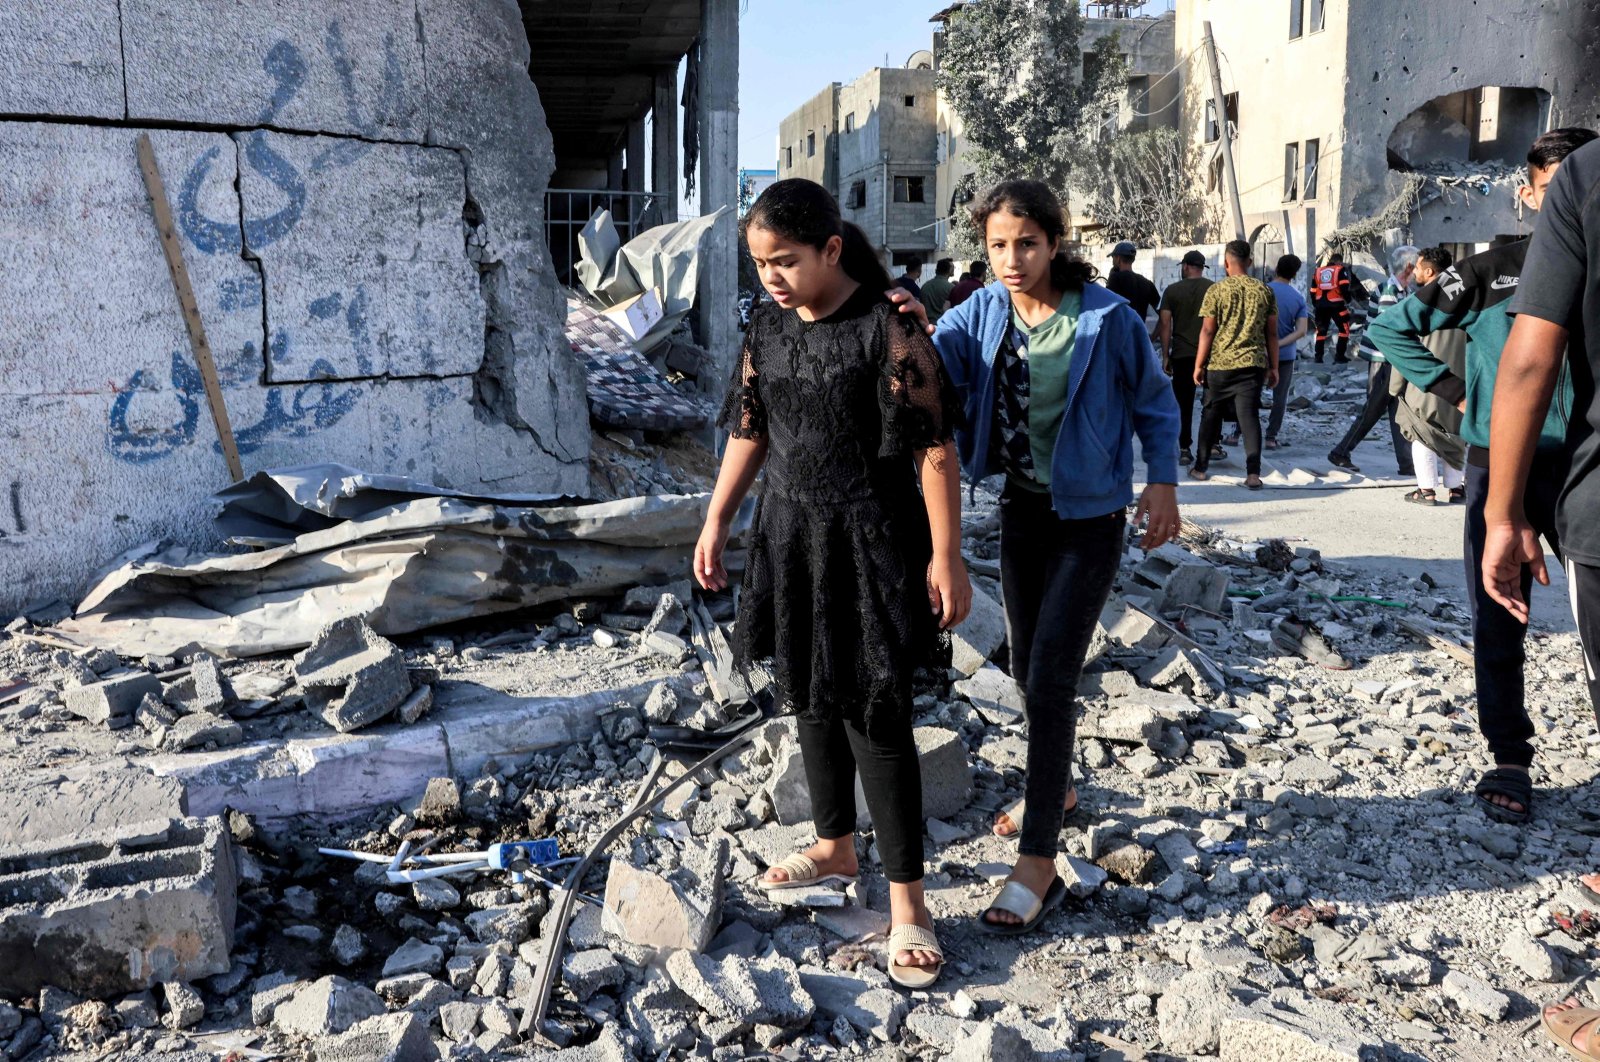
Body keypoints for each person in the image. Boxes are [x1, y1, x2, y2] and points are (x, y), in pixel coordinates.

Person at [694, 178, 969, 988]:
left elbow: (934, 450)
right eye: (759, 263)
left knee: (875, 712)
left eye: (785, 261)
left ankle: (910, 904)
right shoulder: (768, 328)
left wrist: (945, 556)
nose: (771, 277)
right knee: (807, 691)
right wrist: (716, 521)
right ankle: (834, 846)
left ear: (832, 250)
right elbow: (751, 428)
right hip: (790, 535)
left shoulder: (889, 330)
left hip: (872, 542)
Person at [928, 180, 1179, 935]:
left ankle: (1038, 859)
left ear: (1056, 241)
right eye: (998, 245)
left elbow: (1155, 402)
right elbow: (936, 374)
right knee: (1026, 669)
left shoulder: (1106, 318)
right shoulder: (977, 313)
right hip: (1021, 511)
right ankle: (1056, 784)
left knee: (1051, 676)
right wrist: (902, 324)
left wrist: (1161, 483)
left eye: (1027, 244)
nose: (1011, 259)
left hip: (1092, 517)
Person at [1477, 131, 1600, 1062]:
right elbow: (1410, 331)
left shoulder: (1587, 197)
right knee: (1502, 618)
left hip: (1570, 472)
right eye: (1542, 180)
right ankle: (1509, 755)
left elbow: (1536, 359)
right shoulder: (1481, 269)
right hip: (1516, 462)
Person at [1377, 246, 1466, 505]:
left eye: (1417, 267)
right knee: (1456, 432)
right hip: (1463, 378)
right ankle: (1456, 489)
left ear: (1429, 271)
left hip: (1426, 379)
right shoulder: (1467, 296)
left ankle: (1426, 490)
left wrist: (1396, 386)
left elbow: (1404, 345)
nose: (1413, 271)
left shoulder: (1421, 302)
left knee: (1422, 431)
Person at [1189, 240, 1279, 489]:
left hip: (1220, 365)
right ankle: (1253, 474)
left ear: (1226, 263)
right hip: (1252, 364)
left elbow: (1207, 331)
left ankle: (1200, 468)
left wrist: (1199, 364)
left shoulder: (1216, 291)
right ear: (1249, 262)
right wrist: (1274, 367)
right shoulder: (1264, 291)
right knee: (1249, 417)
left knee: (1211, 415)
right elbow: (1272, 334)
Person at [1326, 246, 1418, 477]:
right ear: (1408, 267)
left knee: (1399, 411)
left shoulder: (1401, 290)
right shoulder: (1390, 291)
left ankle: (1406, 463)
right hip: (1384, 360)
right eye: (1417, 266)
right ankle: (1341, 452)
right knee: (1372, 411)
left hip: (1390, 360)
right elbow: (1391, 331)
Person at [1158, 250, 1214, 465]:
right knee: (1211, 402)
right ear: (1201, 267)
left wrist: (1165, 355)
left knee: (1183, 404)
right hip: (1210, 354)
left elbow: (1165, 324)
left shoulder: (1172, 291)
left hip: (1182, 355)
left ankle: (1184, 448)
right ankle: (1212, 444)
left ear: (1186, 266)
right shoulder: (1212, 288)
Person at [1265, 254, 1310, 450]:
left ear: (1276, 268)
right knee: (1280, 398)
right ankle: (1271, 437)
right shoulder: (1298, 298)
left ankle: (1237, 433)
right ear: (1294, 275)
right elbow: (1301, 331)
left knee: (1248, 394)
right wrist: (1279, 344)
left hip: (1259, 353)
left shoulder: (1262, 291)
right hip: (1284, 355)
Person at [1309, 251, 1357, 362]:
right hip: (1336, 305)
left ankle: (1318, 357)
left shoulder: (1318, 271)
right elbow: (1344, 286)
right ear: (1338, 261)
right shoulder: (1340, 270)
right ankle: (1339, 356)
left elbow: (1313, 290)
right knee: (1344, 329)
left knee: (1321, 331)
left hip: (1321, 306)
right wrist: (1348, 301)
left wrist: (1315, 304)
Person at [1106, 240, 1161, 326]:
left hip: (1119, 336)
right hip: (1138, 336)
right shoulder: (1147, 283)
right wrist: (1151, 337)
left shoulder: (1115, 278)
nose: (1112, 261)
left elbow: (1106, 308)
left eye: (1113, 257)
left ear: (1118, 258)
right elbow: (1163, 314)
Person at [922, 258, 956, 322]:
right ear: (949, 269)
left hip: (926, 325)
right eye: (953, 267)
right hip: (943, 325)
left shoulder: (925, 286)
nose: (954, 269)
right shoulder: (952, 288)